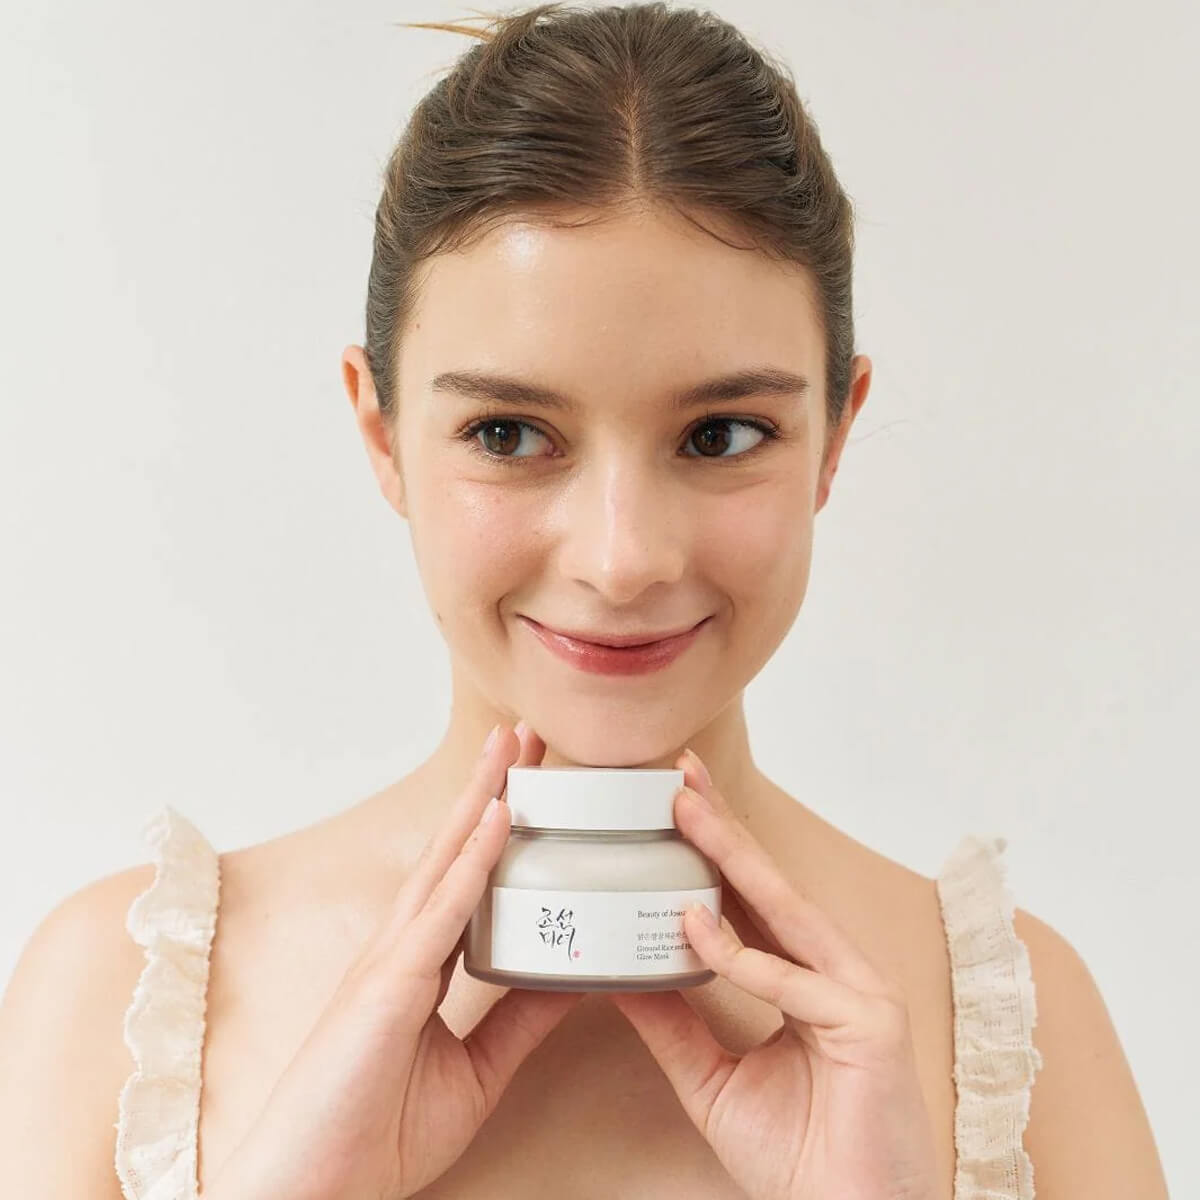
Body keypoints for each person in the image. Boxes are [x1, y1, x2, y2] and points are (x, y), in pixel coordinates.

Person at [0, 4, 1168, 1199]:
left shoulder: (1010, 1023)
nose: (621, 559)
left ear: (836, 433)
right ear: (382, 431)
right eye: (509, 434)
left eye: (722, 434)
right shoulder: (122, 1001)